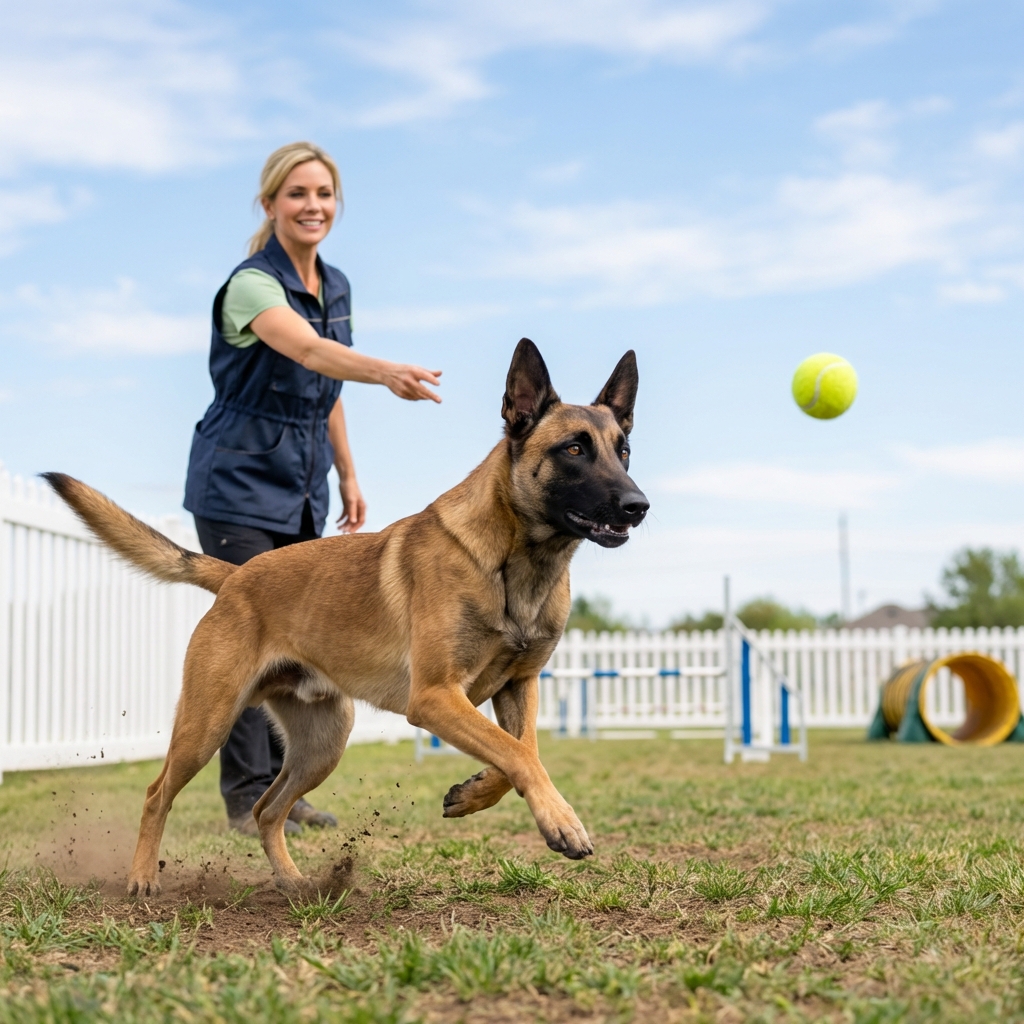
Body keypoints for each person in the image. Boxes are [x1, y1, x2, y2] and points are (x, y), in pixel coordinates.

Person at [184, 142, 441, 835]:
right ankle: (247, 798)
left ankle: (285, 794)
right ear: (270, 204)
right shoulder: (251, 284)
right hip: (237, 481)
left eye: (324, 194)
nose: (312, 206)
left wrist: (349, 472)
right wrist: (384, 370)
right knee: (249, 643)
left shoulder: (338, 285)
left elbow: (324, 386)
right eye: (297, 194)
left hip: (302, 486)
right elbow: (305, 350)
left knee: (299, 640)